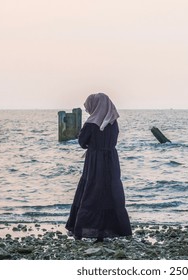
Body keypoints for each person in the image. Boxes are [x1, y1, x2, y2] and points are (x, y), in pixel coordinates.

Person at [65, 92, 132, 242]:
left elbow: (82, 143)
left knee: (90, 192)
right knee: (110, 194)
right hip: (111, 161)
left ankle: (80, 231)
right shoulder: (113, 123)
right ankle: (104, 232)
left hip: (95, 162)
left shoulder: (91, 123)